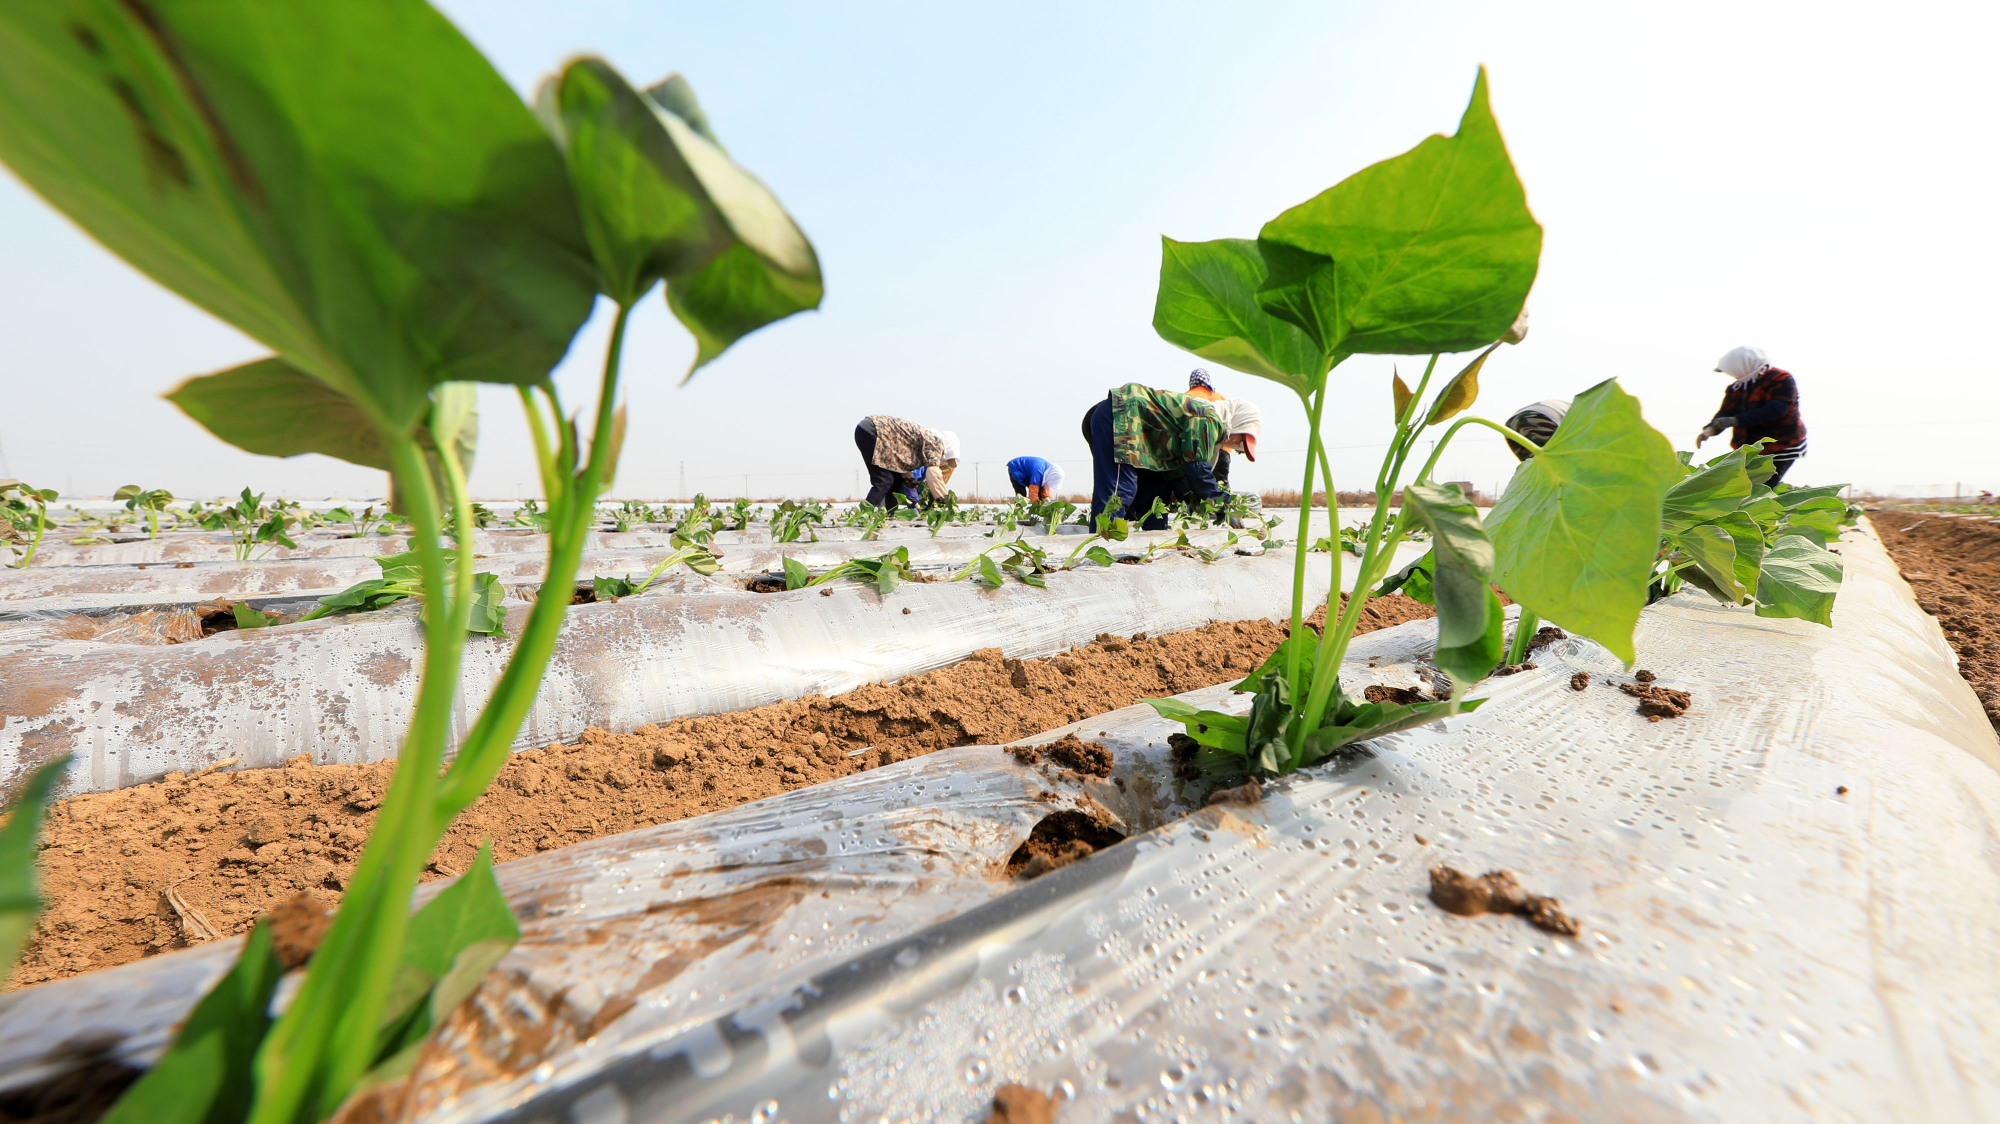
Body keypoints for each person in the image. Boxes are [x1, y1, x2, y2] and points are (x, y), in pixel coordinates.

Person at [1082, 383, 1260, 529]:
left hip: (1145, 443)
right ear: (1237, 423)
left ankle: (1150, 545)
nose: (1237, 446)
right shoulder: (1207, 418)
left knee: (1156, 495)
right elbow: (1198, 471)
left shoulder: (1211, 429)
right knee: (1120, 487)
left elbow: (1178, 475)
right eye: (1241, 440)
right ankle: (1100, 544)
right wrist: (1225, 506)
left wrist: (1191, 498)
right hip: (1122, 415)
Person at [1697, 346, 1808, 483]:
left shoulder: (1780, 379)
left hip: (1782, 444)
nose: (1733, 376)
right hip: (1752, 448)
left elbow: (1775, 410)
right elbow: (1725, 412)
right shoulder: (1737, 388)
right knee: (1743, 487)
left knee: (1760, 487)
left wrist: (1736, 421)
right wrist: (1711, 429)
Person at [853, 415, 959, 511]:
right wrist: (945, 501)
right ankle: (865, 514)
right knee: (884, 480)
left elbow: (901, 464)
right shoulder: (935, 442)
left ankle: (890, 514)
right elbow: (933, 474)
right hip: (874, 431)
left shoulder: (925, 440)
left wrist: (910, 480)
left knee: (895, 481)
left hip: (870, 430)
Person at [1184, 368, 1232, 487]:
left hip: (1198, 449)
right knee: (1221, 483)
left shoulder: (1186, 397)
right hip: (1224, 449)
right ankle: (1224, 505)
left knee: (1197, 484)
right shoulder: (1221, 398)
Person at [1502, 399, 1570, 460]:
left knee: (1533, 465)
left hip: (1512, 423)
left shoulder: (1575, 407)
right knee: (1551, 460)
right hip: (1537, 417)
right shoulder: (1577, 414)